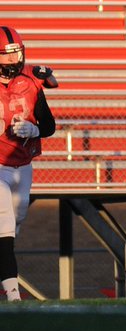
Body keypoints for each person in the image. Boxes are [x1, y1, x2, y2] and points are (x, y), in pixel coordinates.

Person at [0, 26, 58, 303]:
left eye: (16, 54)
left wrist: (34, 130)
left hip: (22, 163)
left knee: (19, 212)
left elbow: (49, 125)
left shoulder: (32, 80)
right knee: (4, 222)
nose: (14, 61)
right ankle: (13, 295)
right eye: (7, 55)